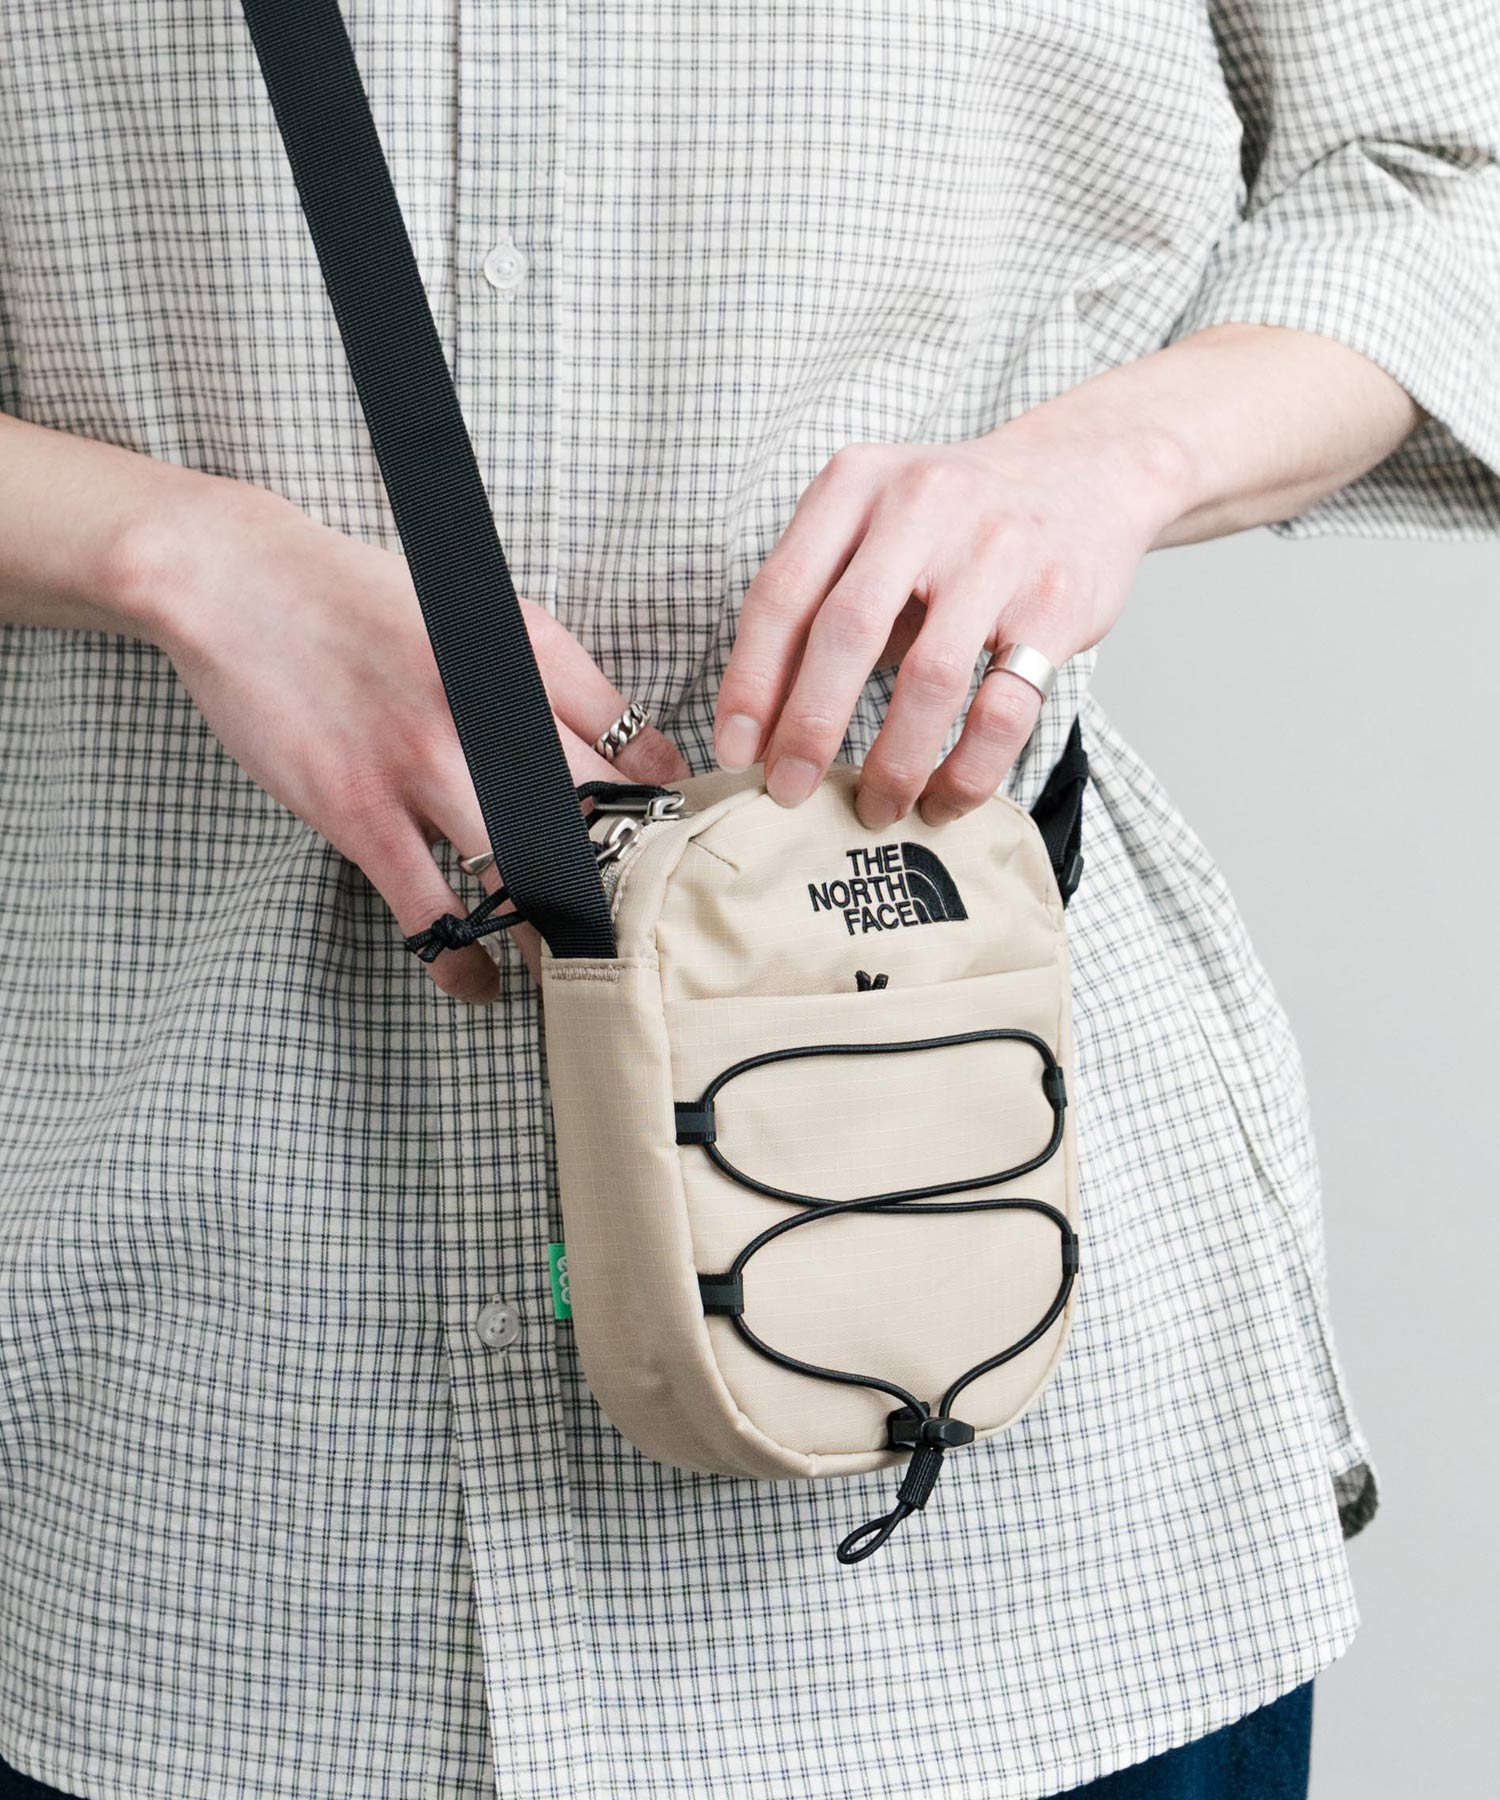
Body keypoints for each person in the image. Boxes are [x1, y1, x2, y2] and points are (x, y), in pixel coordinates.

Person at [0, 3, 1495, 1797]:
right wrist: (172, 553)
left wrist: (1112, 462)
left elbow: (1456, 172)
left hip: (1022, 1482)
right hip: (205, 1438)